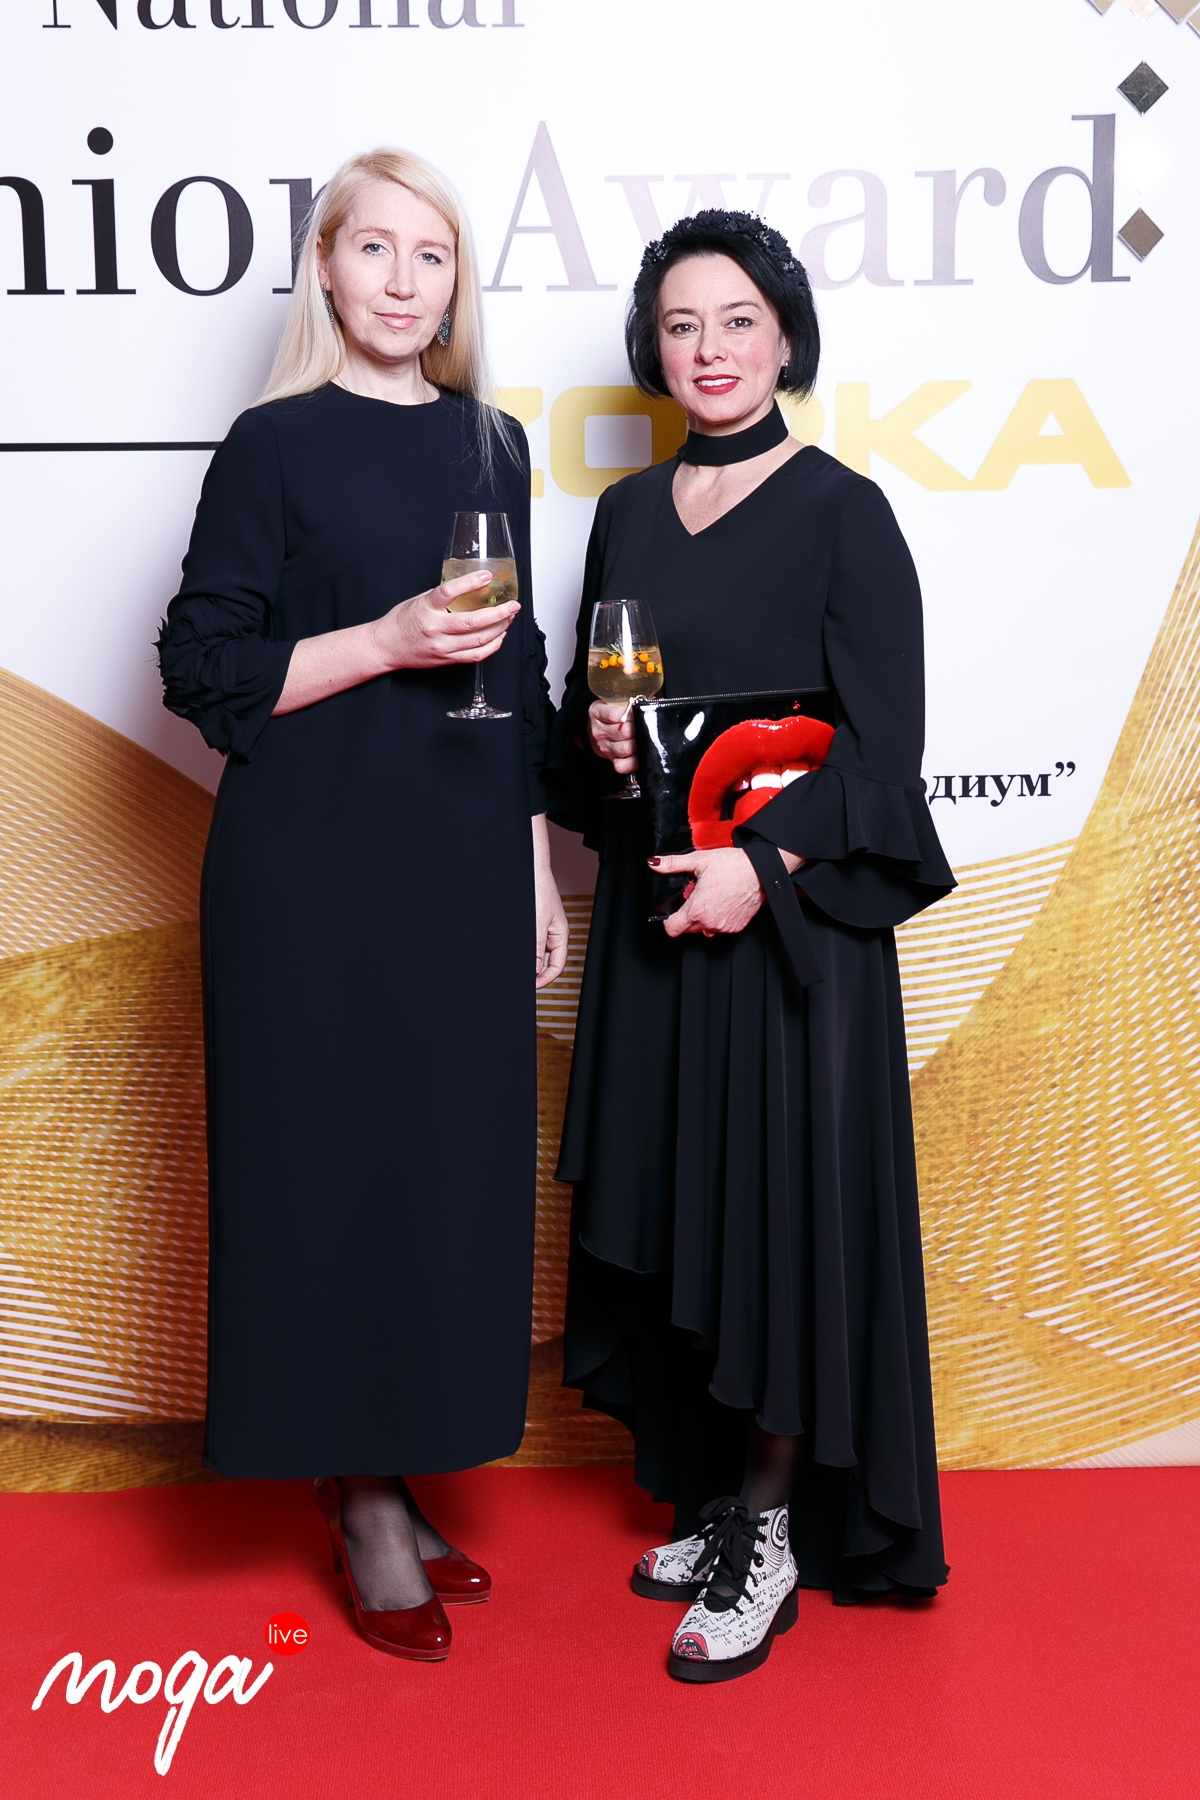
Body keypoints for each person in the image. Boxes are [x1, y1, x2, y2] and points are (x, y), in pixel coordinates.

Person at [158, 149, 567, 1663]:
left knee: (441, 1171)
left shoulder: (492, 444)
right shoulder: (270, 446)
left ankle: (387, 1459)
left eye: (433, 255)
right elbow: (201, 669)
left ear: (457, 286)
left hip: (461, 860)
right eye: (375, 248)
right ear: (327, 269)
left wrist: (534, 862)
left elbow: (520, 674)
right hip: (309, 871)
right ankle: (366, 1498)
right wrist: (385, 640)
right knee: (324, 1167)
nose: (404, 279)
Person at [550, 210, 955, 1684]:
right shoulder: (625, 515)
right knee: (691, 1215)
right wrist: (603, 747)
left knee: (780, 1224)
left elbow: (887, 762)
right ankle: (722, 1496)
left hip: (786, 940)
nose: (709, 349)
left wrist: (762, 866)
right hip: (659, 930)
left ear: (785, 337)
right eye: (681, 325)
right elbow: (591, 730)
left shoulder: (848, 511)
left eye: (736, 321)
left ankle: (774, 1532)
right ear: (652, 351)